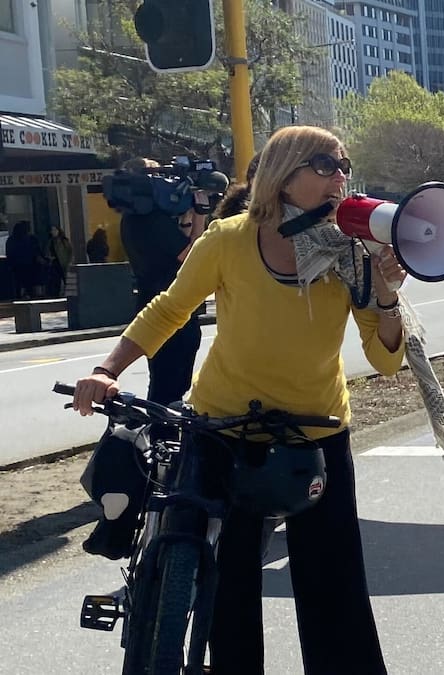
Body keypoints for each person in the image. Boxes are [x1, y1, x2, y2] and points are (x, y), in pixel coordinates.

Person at [70, 125, 407, 673]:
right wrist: (105, 370)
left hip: (315, 436)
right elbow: (169, 309)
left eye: (343, 165)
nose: (339, 177)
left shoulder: (352, 252)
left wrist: (388, 297)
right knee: (228, 592)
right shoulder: (227, 239)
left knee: (334, 593)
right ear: (283, 174)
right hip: (224, 431)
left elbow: (387, 358)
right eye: (324, 164)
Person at [118, 158, 223, 407]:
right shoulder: (150, 220)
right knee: (168, 389)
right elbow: (193, 256)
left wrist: (187, 217)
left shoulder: (134, 218)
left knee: (166, 385)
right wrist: (199, 216)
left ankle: (158, 435)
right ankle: (159, 437)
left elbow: (179, 244)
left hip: (156, 302)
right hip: (168, 311)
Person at [4, 221, 41, 298]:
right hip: (29, 265)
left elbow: (9, 253)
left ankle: (19, 295)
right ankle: (29, 295)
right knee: (29, 284)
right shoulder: (31, 239)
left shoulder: (11, 240)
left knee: (18, 284)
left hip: (17, 266)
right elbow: (36, 252)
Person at [44, 224, 73, 296]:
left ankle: (67, 294)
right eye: (52, 230)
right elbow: (46, 252)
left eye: (54, 230)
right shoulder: (50, 242)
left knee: (65, 278)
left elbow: (70, 252)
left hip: (63, 262)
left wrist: (69, 261)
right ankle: (56, 293)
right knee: (55, 280)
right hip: (54, 262)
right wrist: (49, 257)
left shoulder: (63, 241)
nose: (53, 232)